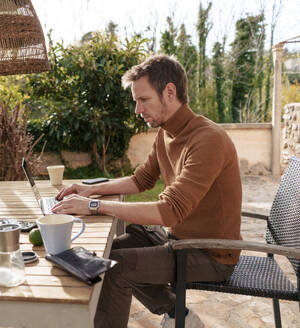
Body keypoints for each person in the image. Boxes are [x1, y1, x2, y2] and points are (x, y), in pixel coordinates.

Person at [51, 54, 242, 328]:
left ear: (170, 92)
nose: (137, 110)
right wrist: (89, 190)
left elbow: (168, 211)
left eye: (143, 100)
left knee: (115, 269)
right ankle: (179, 314)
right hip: (178, 239)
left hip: (211, 254)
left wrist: (94, 207)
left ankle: (174, 314)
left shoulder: (208, 139)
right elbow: (141, 181)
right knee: (102, 254)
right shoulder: (167, 133)